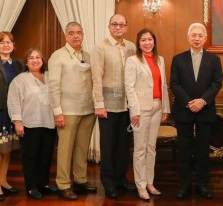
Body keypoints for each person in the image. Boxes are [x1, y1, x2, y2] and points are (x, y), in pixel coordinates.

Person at [170, 23, 222, 199]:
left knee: (202, 152)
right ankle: (184, 186)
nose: (197, 38)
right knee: (184, 151)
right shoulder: (178, 59)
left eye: (200, 35)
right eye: (194, 35)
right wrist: (189, 102)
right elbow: (174, 84)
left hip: (205, 111)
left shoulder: (214, 60)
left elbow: (216, 83)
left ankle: (202, 185)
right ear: (188, 37)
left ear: (205, 38)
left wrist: (202, 101)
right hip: (184, 111)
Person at [48, 22, 97, 200]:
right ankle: (63, 184)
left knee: (82, 148)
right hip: (67, 110)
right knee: (65, 149)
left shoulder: (88, 56)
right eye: (72, 33)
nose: (76, 36)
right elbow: (53, 86)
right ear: (66, 36)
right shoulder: (58, 56)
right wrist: (57, 112)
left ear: (83, 35)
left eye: (79, 33)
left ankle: (81, 180)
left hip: (88, 109)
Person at [90, 14, 136, 199]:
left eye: (121, 25)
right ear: (109, 27)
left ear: (126, 27)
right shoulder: (99, 48)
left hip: (127, 106)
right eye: (114, 24)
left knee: (123, 145)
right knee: (108, 145)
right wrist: (99, 104)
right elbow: (96, 77)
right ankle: (108, 182)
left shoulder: (131, 47)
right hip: (107, 107)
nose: (118, 27)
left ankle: (121, 178)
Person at [125, 28, 170, 201]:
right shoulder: (132, 61)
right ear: (138, 43)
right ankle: (140, 184)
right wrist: (134, 111)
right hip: (140, 110)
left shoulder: (160, 60)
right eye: (143, 40)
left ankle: (150, 182)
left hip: (157, 108)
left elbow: (163, 85)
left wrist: (165, 108)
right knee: (140, 149)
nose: (147, 43)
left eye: (150, 39)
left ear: (154, 41)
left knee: (151, 148)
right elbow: (129, 87)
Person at [7, 48, 57, 199]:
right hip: (29, 123)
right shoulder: (20, 80)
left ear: (43, 61)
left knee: (46, 155)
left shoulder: (50, 77)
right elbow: (14, 101)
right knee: (31, 156)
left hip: (49, 123)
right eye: (31, 58)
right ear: (26, 62)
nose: (35, 60)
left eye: (38, 57)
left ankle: (44, 183)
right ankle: (32, 186)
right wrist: (18, 122)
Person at [0, 31, 23, 200]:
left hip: (11, 113)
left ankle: (3, 181)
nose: (6, 44)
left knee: (6, 150)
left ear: (13, 45)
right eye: (2, 42)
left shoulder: (18, 64)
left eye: (9, 42)